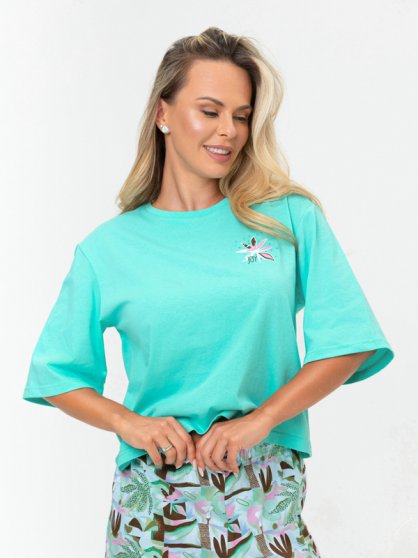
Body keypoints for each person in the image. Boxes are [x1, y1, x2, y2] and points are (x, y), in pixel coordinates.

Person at [22, 26, 394, 557]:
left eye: (241, 116)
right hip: (153, 493)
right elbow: (56, 373)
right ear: (163, 113)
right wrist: (131, 424)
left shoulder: (287, 218)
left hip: (263, 479)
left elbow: (349, 342)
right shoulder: (108, 249)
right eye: (210, 111)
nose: (229, 131)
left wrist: (261, 421)